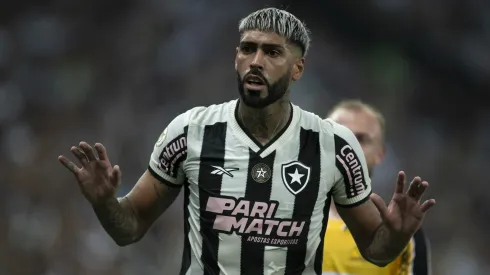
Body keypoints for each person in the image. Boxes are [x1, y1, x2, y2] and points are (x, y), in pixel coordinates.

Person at [58, 8, 435, 275]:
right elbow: (130, 228)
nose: (256, 60)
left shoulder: (333, 146)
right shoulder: (190, 131)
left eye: (272, 52)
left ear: (297, 68)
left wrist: (398, 235)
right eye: (247, 48)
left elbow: (375, 250)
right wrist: (106, 204)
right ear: (235, 56)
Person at [321, 100, 432, 275]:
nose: (348, 147)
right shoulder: (279, 217)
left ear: (380, 154)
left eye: (361, 139)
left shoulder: (400, 234)